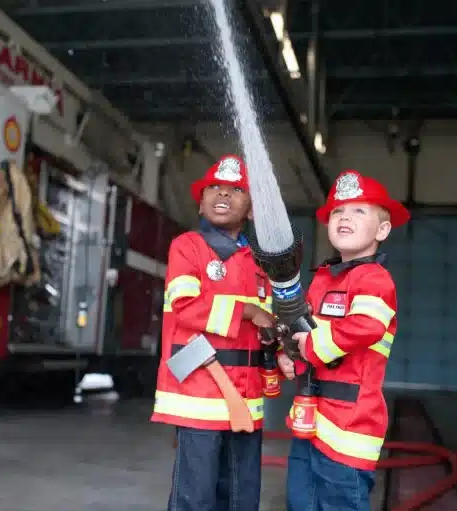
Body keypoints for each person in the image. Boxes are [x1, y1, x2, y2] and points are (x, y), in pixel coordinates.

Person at [277, 170, 410, 511]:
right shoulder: (323, 278)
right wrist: (290, 354)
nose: (345, 217)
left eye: (358, 211)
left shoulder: (375, 280)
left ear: (382, 230)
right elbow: (303, 331)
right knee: (300, 503)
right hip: (310, 419)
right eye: (338, 211)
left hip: (351, 425)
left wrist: (310, 347)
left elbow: (366, 326)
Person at [151, 154, 276, 511]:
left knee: (241, 495)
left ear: (251, 209)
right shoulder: (187, 247)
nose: (223, 195)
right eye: (214, 189)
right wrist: (250, 311)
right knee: (197, 495)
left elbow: (264, 324)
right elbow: (186, 307)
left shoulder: (258, 262)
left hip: (246, 397)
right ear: (201, 204)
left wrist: (276, 338)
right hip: (200, 394)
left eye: (235, 190)